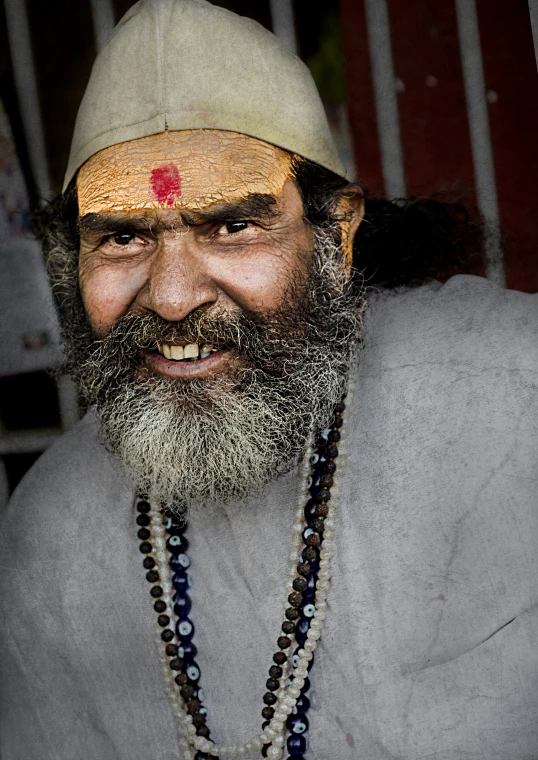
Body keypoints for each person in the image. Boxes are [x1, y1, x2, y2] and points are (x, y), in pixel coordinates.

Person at [1, 1, 537, 758]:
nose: (174, 296)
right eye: (122, 237)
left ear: (336, 235)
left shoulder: (512, 391)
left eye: (231, 226)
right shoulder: (53, 530)